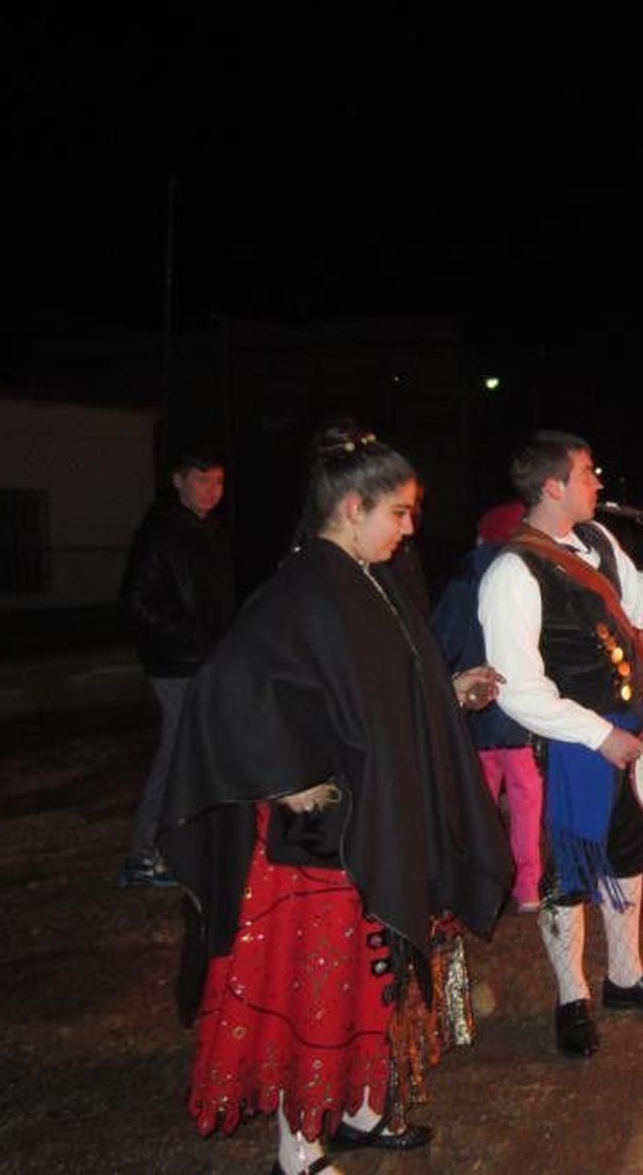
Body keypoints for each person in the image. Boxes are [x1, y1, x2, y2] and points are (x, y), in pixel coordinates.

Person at [158, 424, 513, 1175]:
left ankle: (354, 1109)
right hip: (323, 842)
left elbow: (368, 699)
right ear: (353, 507)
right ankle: (300, 1146)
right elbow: (225, 687)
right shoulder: (304, 586)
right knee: (316, 986)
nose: (410, 527)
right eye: (400, 512)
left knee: (368, 976)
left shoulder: (368, 582)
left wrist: (447, 694)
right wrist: (280, 775)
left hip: (373, 823)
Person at [479, 430, 643, 1058]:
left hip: (623, 729)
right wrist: (598, 733)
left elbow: (640, 608)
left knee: (626, 855)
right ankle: (571, 997)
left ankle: (625, 977)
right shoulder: (512, 572)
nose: (598, 484)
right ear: (554, 485)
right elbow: (515, 689)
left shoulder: (594, 539)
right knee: (570, 875)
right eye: (587, 473)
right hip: (566, 744)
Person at [117, 444, 236, 888]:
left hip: (207, 660)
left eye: (219, 481)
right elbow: (137, 599)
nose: (211, 491)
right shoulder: (161, 531)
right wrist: (192, 638)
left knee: (200, 754)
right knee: (176, 752)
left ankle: (188, 844)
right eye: (201, 480)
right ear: (178, 481)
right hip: (175, 663)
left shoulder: (211, 531)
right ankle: (146, 853)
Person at [430, 498, 545, 912]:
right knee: (526, 799)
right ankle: (527, 886)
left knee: (476, 805)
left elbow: (441, 641)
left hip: (475, 710)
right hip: (518, 710)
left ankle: (481, 888)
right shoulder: (531, 573)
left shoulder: (462, 579)